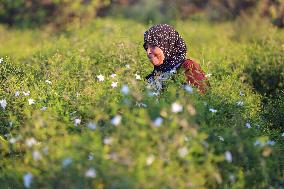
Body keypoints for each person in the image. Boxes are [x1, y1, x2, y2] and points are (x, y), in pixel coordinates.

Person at [143, 24, 209, 94]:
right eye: (147, 47)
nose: (148, 52)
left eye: (153, 45)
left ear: (167, 44)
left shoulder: (189, 68)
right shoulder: (155, 75)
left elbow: (202, 99)